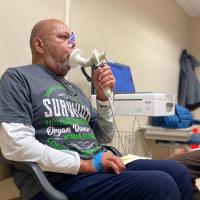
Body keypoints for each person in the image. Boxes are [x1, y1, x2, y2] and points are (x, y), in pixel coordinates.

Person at [0, 19, 194, 200]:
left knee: (178, 171)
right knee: (161, 184)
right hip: (59, 180)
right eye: (63, 37)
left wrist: (102, 98)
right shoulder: (18, 78)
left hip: (97, 164)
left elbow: (103, 136)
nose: (72, 44)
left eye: (73, 39)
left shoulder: (74, 90)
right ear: (39, 45)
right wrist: (85, 165)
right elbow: (15, 146)